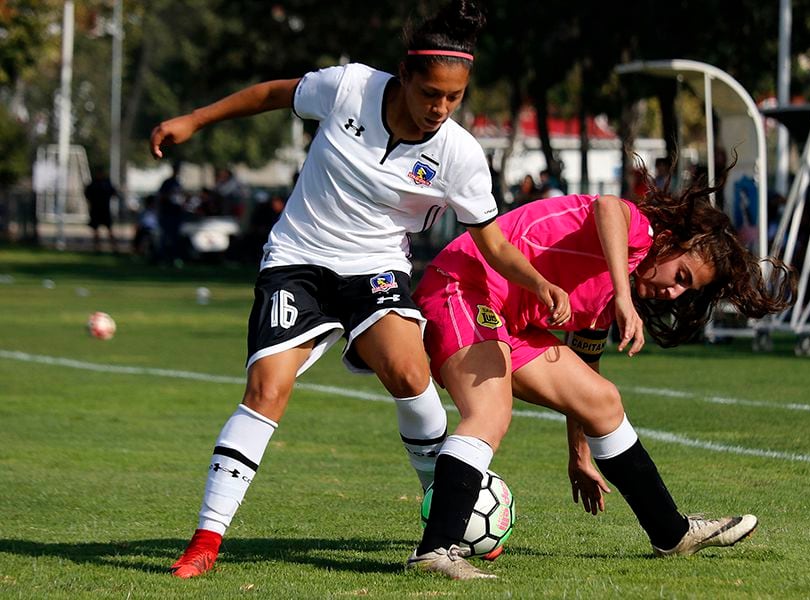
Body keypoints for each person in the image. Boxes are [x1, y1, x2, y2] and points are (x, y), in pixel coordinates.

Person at [148, 0, 569, 579]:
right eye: (430, 95)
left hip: (375, 270)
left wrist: (539, 282)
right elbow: (273, 93)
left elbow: (493, 243)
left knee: (409, 372)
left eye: (453, 98)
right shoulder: (348, 87)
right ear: (404, 76)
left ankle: (446, 522)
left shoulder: (460, 154)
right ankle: (205, 541)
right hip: (296, 259)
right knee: (266, 390)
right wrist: (195, 120)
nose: (439, 110)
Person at [406, 166, 796, 579]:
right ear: (668, 243)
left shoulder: (607, 300)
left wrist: (579, 456)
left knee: (602, 401)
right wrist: (625, 297)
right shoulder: (638, 232)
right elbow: (609, 208)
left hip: (509, 323)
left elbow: (585, 366)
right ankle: (433, 551)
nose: (674, 292)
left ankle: (672, 533)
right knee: (490, 414)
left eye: (687, 289)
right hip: (462, 286)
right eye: (680, 276)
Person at [83, 168, 121, 252]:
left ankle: (114, 248)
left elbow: (114, 193)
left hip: (105, 210)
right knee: (96, 230)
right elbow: (87, 194)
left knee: (109, 229)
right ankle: (97, 248)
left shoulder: (106, 184)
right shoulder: (93, 184)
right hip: (95, 210)